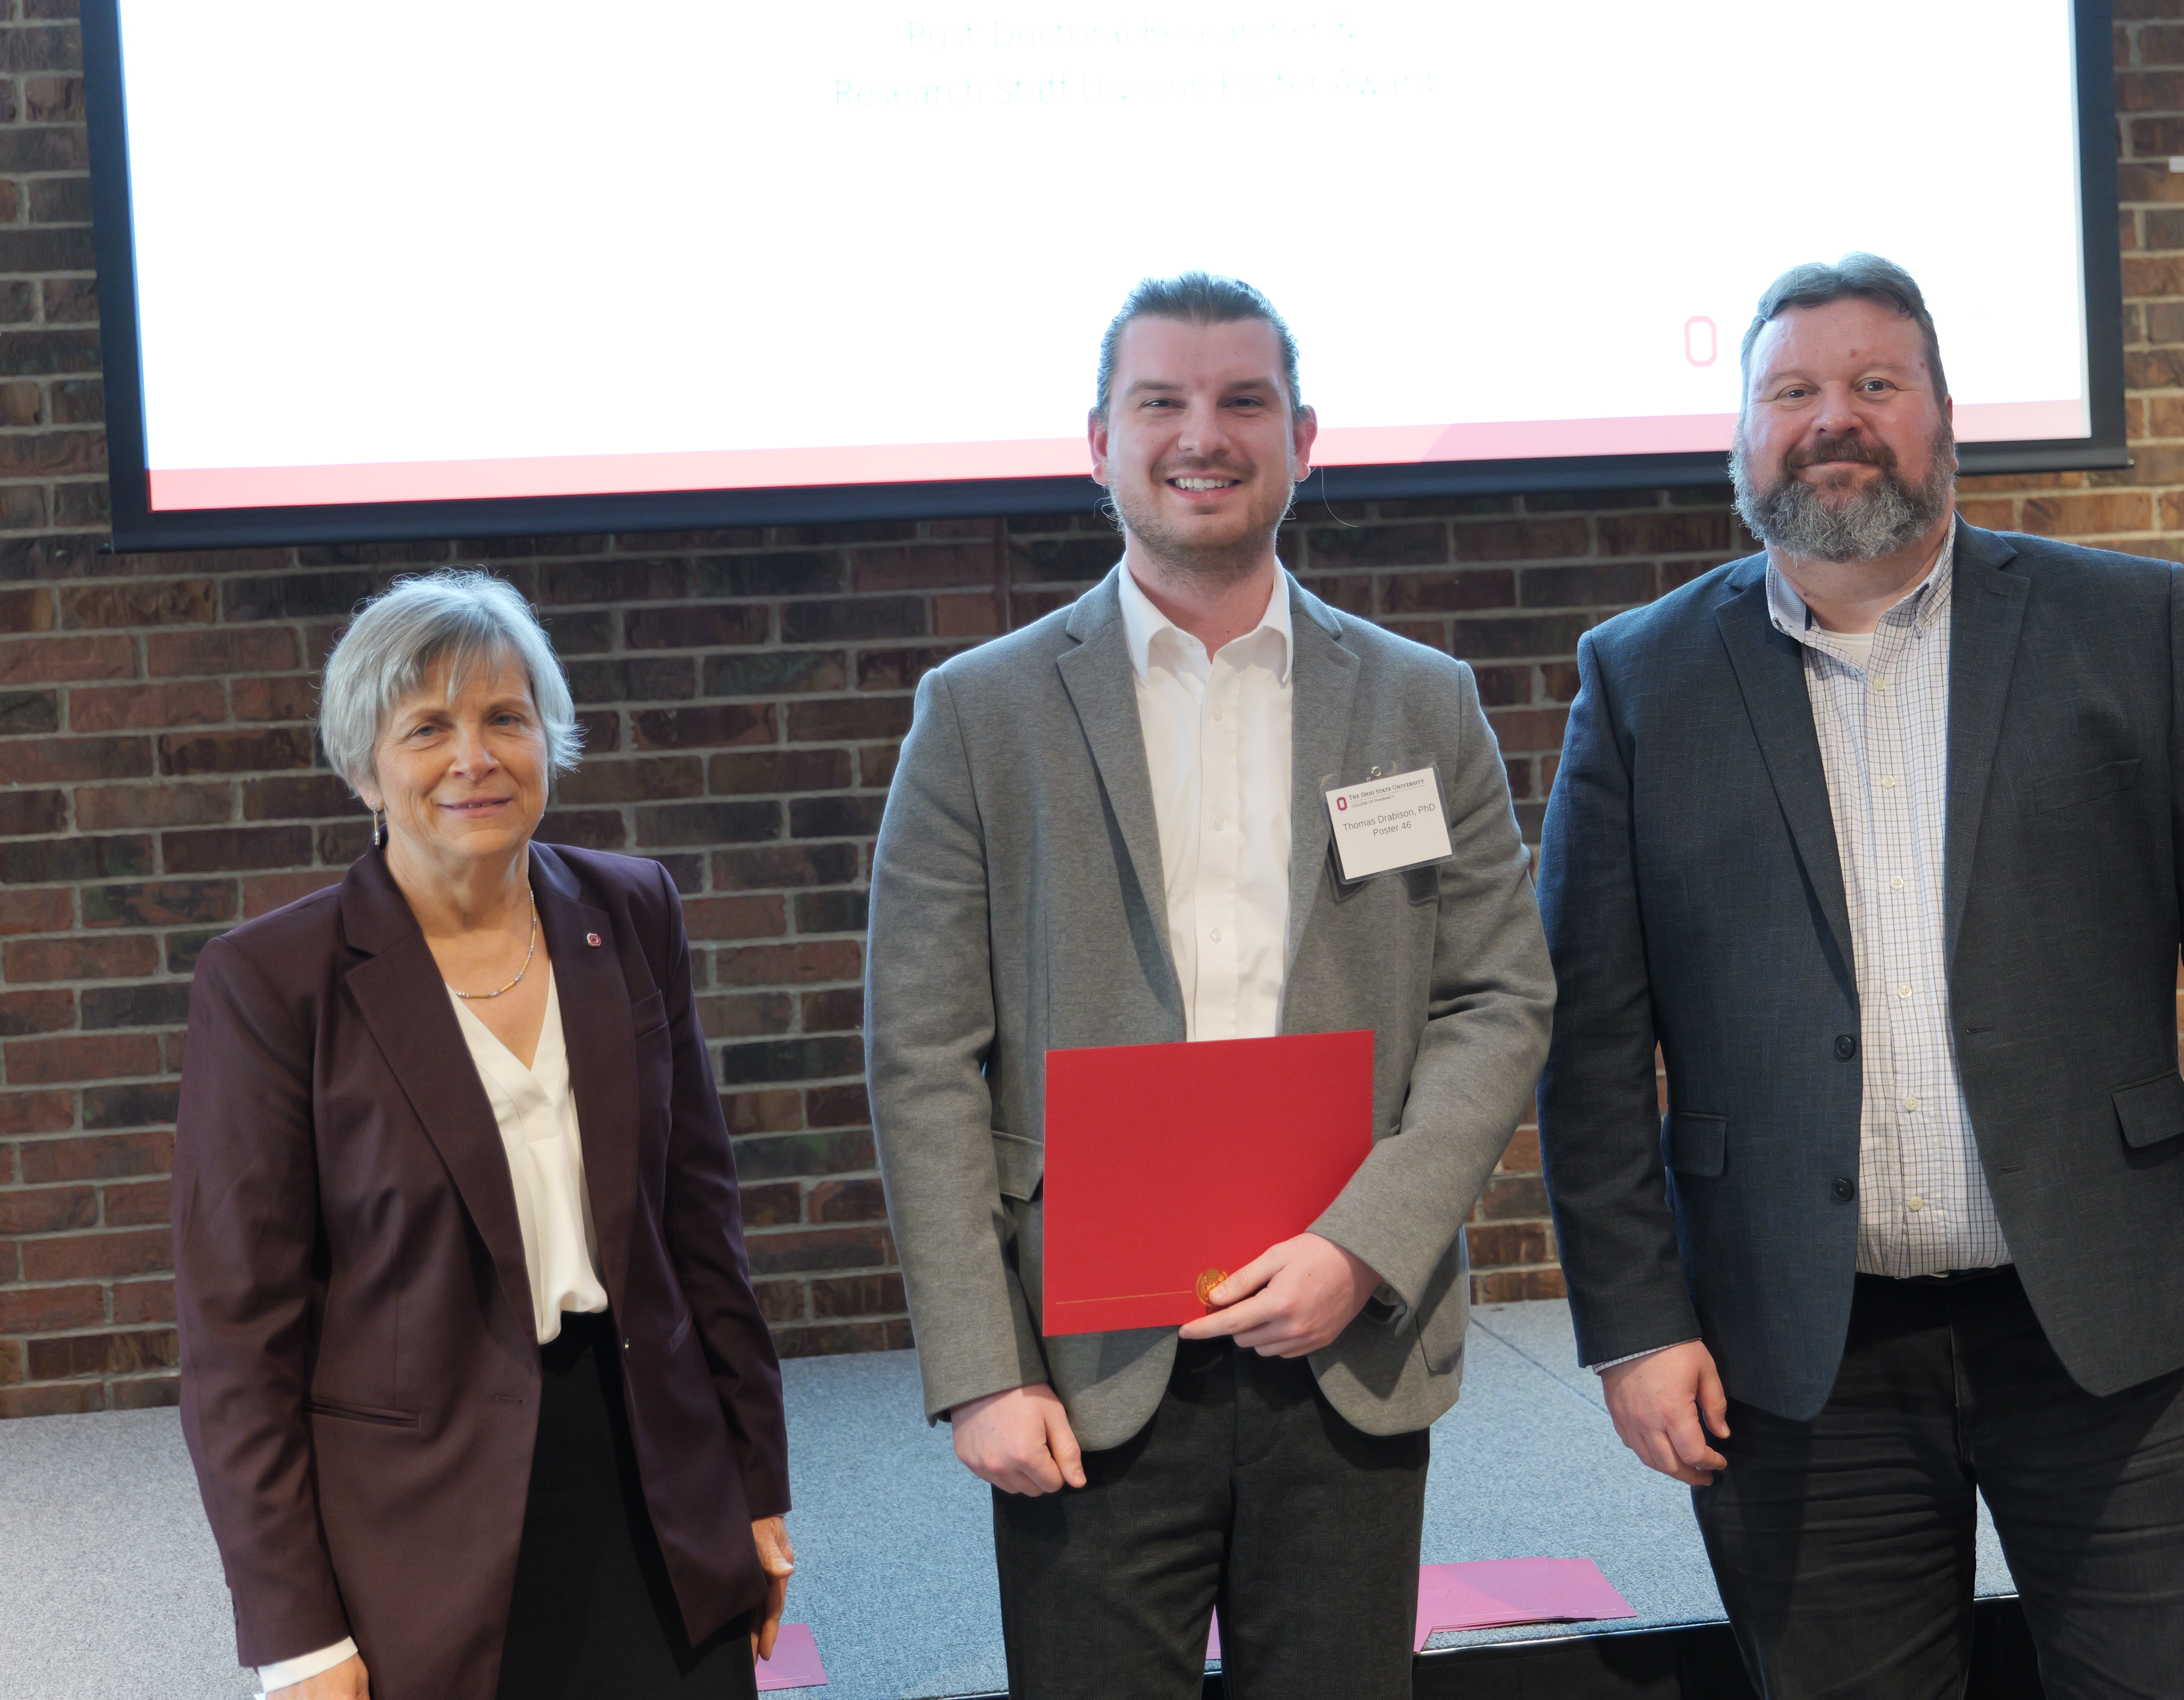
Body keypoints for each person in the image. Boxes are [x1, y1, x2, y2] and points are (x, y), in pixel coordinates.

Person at [1535, 255, 2184, 1698]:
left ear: (1944, 417)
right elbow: (1592, 1047)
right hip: (1797, 1357)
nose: (1835, 419)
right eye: (1793, 390)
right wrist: (1636, 1322)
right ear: (1743, 435)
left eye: (1877, 384)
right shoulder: (1641, 681)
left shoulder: (2124, 625)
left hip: (2111, 1332)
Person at [868, 272, 1554, 1700]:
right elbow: (924, 1055)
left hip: (1348, 1342)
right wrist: (980, 1369)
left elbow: (1498, 1000)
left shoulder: (1421, 701)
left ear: (1304, 437)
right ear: (1098, 441)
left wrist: (1368, 1243)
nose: (1204, 434)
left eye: (1244, 401)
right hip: (1084, 1363)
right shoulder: (981, 714)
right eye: (1161, 402)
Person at [174, 570, 795, 1700]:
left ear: (549, 741)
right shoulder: (274, 982)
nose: (475, 758)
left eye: (507, 718)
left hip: (660, 1488)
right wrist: (296, 1635)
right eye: (427, 729)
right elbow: (235, 1346)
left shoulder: (633, 909)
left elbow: (703, 1230)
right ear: (364, 768)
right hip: (422, 1530)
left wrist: (757, 1484)